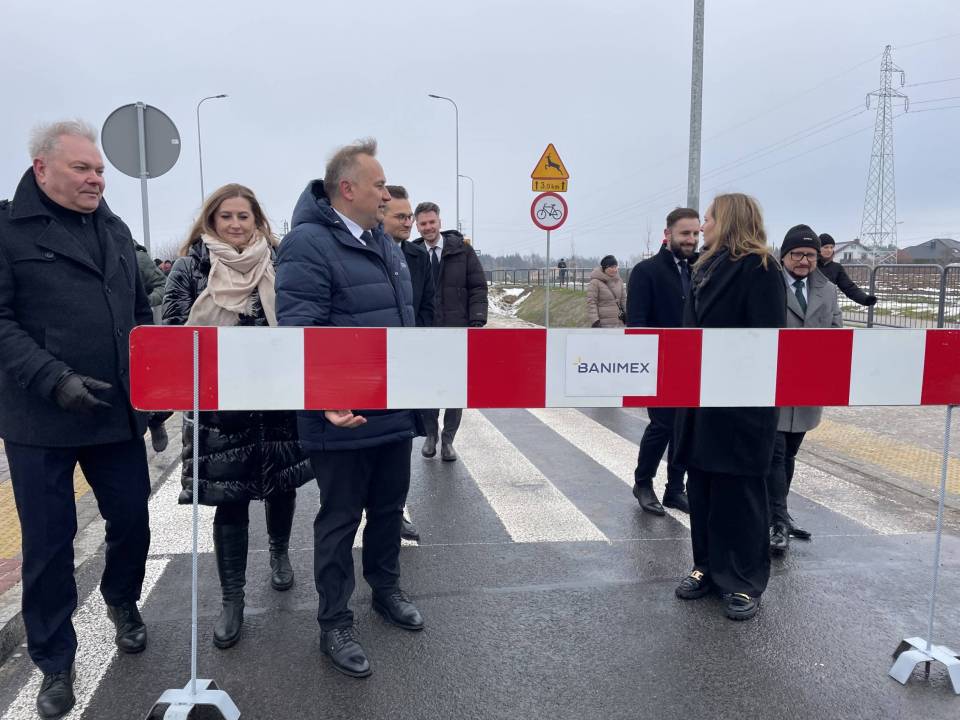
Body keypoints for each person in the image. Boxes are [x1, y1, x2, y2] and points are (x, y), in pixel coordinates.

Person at [0, 120, 153, 719]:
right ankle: (55, 659)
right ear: (42, 169)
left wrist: (153, 391)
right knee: (48, 543)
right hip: (39, 420)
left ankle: (121, 598)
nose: (96, 179)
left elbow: (138, 315)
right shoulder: (7, 230)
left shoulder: (114, 229)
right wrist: (54, 379)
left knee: (133, 519)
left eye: (99, 170)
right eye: (82, 168)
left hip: (114, 413)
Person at [276, 139, 424, 679]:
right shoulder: (307, 244)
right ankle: (334, 622)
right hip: (340, 414)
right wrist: (324, 396)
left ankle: (386, 590)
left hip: (392, 409)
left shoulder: (382, 240)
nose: (386, 194)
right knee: (340, 519)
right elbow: (300, 329)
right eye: (379, 185)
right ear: (347, 189)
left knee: (388, 509)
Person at [162, 183, 312, 650]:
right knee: (229, 502)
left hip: (277, 402)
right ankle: (232, 599)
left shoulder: (280, 263)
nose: (235, 224)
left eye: (243, 216)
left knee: (281, 485)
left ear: (257, 220)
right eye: (225, 216)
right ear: (211, 220)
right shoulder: (192, 266)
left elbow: (299, 322)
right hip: (220, 409)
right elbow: (173, 332)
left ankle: (280, 553)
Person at [673, 193, 786, 622]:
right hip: (701, 401)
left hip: (740, 407)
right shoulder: (705, 267)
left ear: (730, 220)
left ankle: (743, 580)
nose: (703, 226)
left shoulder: (761, 268)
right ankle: (706, 567)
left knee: (739, 496)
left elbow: (765, 343)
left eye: (708, 218)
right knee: (702, 490)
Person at [766, 225, 841, 555]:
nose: (804, 260)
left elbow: (837, 333)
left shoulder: (827, 289)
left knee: (789, 454)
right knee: (775, 453)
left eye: (810, 255)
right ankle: (777, 521)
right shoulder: (768, 285)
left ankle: (779, 514)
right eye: (797, 254)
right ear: (784, 256)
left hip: (808, 388)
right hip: (773, 383)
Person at [626, 208, 700, 515]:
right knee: (663, 425)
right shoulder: (646, 271)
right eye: (685, 233)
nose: (691, 239)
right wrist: (643, 363)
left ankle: (675, 489)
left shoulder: (701, 269)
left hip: (694, 362)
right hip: (659, 362)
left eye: (695, 233)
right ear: (667, 234)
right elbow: (637, 322)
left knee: (687, 428)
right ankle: (643, 483)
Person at [413, 201, 487, 462]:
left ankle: (448, 440)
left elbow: (478, 287)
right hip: (424, 333)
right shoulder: (413, 253)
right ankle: (430, 434)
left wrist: (477, 320)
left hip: (457, 331)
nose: (428, 227)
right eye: (423, 223)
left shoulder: (462, 250)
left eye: (431, 222)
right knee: (427, 386)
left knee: (455, 388)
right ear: (417, 225)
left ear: (440, 222)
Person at [383, 185, 435, 542]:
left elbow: (428, 305)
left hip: (407, 360)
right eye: (400, 217)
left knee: (400, 443)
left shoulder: (417, 256)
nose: (408, 223)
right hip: (370, 361)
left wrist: (419, 348)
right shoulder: (365, 252)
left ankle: (394, 512)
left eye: (409, 217)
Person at [134, 241, 173, 453]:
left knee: (147, 377)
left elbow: (162, 285)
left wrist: (146, 301)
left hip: (137, 327)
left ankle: (155, 418)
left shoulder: (137, 257)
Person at [817, 233, 877, 306]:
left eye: (831, 247)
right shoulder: (811, 266)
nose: (829, 250)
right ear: (818, 248)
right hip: (810, 303)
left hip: (827, 305)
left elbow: (849, 287)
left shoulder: (836, 268)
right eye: (826, 247)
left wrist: (865, 299)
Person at [586, 255, 626, 328]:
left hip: (619, 323)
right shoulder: (595, 282)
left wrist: (627, 314)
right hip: (603, 324)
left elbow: (624, 300)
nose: (615, 269)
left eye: (616, 267)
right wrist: (595, 321)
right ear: (605, 268)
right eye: (612, 267)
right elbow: (591, 303)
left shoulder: (619, 281)